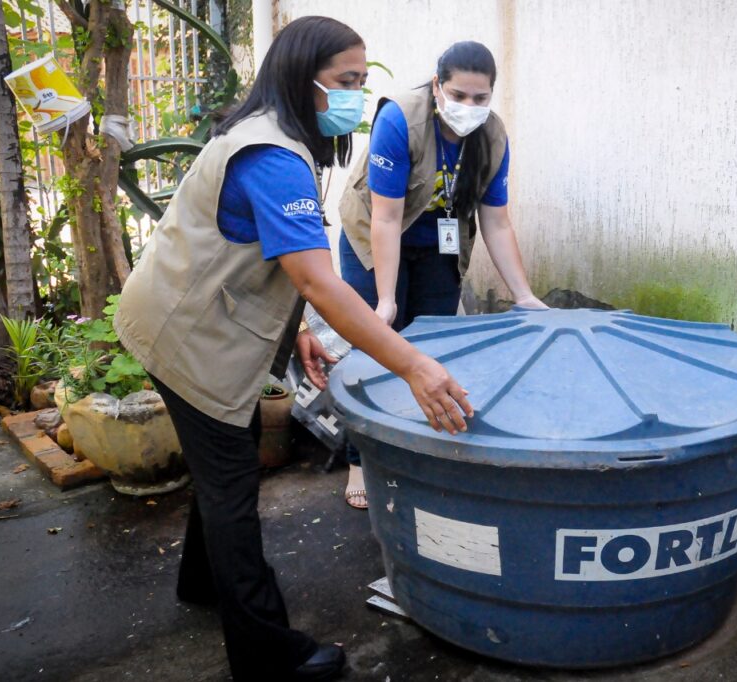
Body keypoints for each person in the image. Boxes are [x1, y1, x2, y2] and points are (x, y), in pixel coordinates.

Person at [113, 17, 472, 681]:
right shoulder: (273, 157)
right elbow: (317, 277)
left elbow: (267, 253)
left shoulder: (270, 134)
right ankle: (264, 653)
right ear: (300, 78)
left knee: (227, 464)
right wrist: (415, 364)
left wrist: (298, 329)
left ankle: (202, 582)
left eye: (362, 82)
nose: (356, 97)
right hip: (189, 339)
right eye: (345, 82)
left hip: (182, 317)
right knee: (232, 486)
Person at [337, 40, 547, 509]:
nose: (469, 107)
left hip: (437, 238)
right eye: (458, 95)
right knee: (376, 343)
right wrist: (386, 299)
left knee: (435, 343)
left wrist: (524, 294)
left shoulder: (492, 136)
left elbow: (496, 221)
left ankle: (417, 446)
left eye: (480, 98)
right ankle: (358, 458)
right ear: (437, 87)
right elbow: (386, 220)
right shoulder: (400, 120)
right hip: (374, 232)